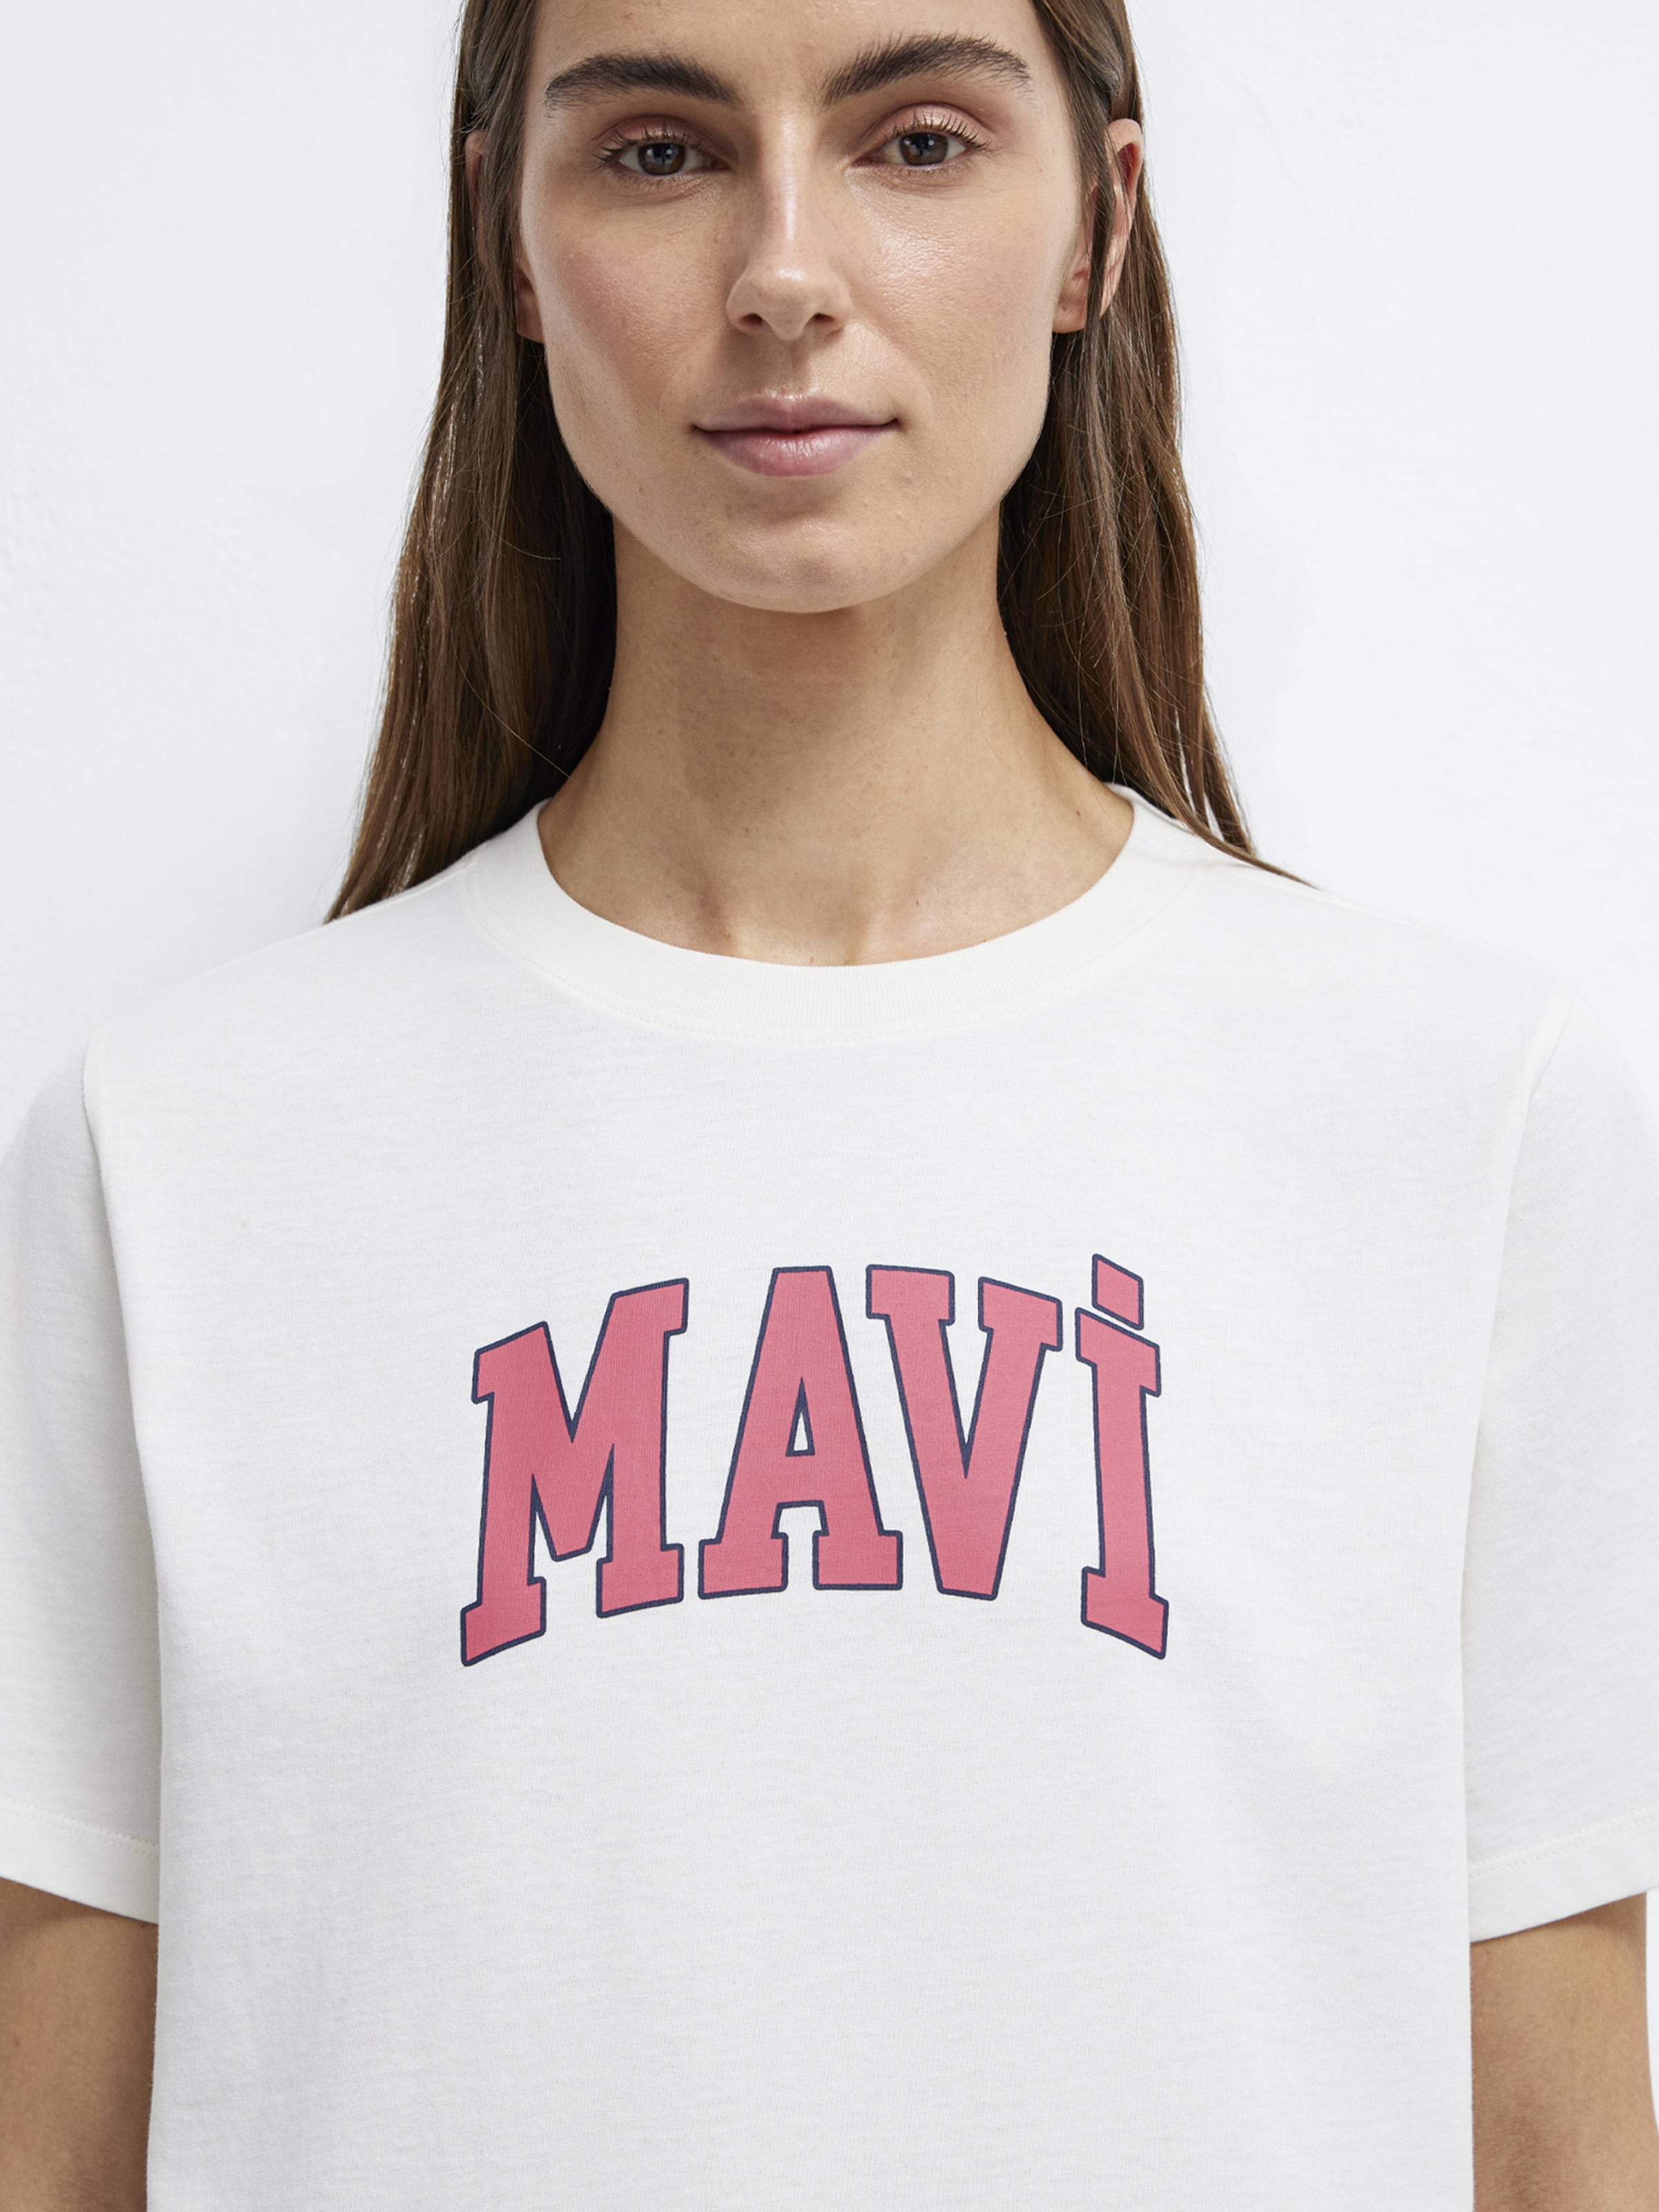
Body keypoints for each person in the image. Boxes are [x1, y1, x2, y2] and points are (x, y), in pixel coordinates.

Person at [1, 0, 1656, 2203]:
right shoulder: (177, 1156)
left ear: (1098, 225)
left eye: (919, 140)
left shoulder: (1462, 1119)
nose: (785, 271)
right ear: (506, 242)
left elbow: (1556, 2146)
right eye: (660, 152)